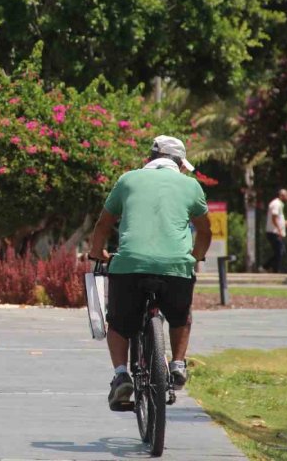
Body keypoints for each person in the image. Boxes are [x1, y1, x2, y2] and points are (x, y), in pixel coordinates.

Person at [88, 135, 211, 411]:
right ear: (179, 163)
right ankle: (177, 364)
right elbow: (205, 231)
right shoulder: (191, 185)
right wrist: (194, 258)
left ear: (150, 158)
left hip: (130, 265)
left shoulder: (128, 180)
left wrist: (97, 253)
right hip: (176, 268)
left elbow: (103, 224)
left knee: (118, 324)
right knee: (181, 317)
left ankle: (121, 375)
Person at [265, 189, 287, 272]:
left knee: (280, 251)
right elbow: (274, 218)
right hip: (273, 231)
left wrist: (284, 222)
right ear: (281, 196)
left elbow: (278, 218)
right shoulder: (276, 204)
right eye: (286, 195)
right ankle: (274, 268)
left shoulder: (280, 204)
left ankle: (269, 267)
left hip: (276, 231)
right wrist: (279, 230)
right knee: (280, 251)